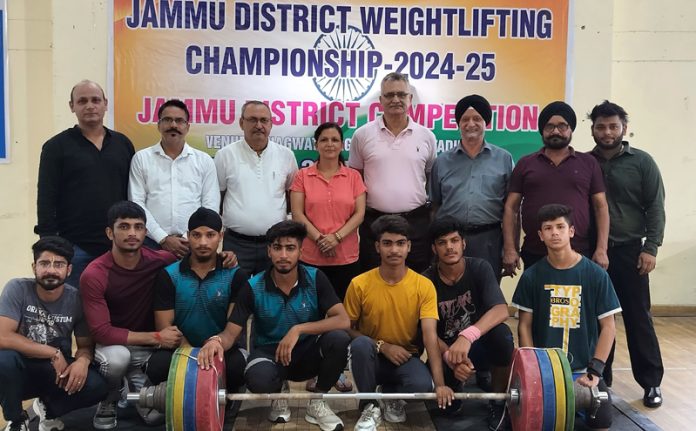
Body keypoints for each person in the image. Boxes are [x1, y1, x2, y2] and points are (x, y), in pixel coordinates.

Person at [80, 201, 236, 429]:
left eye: (138, 227)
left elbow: (198, 259)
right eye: (124, 227)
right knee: (117, 361)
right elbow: (101, 332)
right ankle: (111, 396)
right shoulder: (94, 274)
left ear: (146, 231)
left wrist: (225, 257)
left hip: (149, 350)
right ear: (109, 233)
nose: (132, 233)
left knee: (155, 417)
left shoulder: (161, 260)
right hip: (115, 347)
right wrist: (156, 337)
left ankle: (132, 384)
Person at [198, 220, 351, 431]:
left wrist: (298, 329)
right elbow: (230, 333)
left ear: (301, 250)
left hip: (307, 352)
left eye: (290, 248)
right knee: (258, 380)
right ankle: (280, 393)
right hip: (271, 353)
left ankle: (318, 401)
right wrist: (214, 342)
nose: (284, 255)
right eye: (277, 248)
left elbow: (343, 320)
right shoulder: (252, 286)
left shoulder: (316, 278)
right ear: (269, 251)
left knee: (339, 339)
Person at [511, 204, 621, 431]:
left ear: (571, 231)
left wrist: (595, 371)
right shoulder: (531, 277)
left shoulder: (596, 275)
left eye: (560, 226)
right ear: (540, 235)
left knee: (602, 420)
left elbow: (609, 328)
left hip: (583, 371)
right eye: (548, 228)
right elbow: (524, 326)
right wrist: (534, 370)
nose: (555, 233)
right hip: (546, 372)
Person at [588, 101, 666, 407]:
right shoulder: (584, 161)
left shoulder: (643, 162)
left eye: (613, 126)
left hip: (631, 252)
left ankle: (651, 383)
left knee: (638, 318)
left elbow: (656, 208)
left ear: (624, 127)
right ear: (592, 128)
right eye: (600, 126)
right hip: (592, 254)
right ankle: (601, 379)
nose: (607, 132)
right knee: (596, 320)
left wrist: (651, 248)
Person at [345, 215, 454, 431]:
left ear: (408, 247)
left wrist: (440, 385)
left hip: (405, 357)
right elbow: (347, 328)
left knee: (423, 387)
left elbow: (430, 336)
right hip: (371, 357)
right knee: (360, 345)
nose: (394, 250)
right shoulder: (359, 284)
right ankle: (369, 405)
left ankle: (389, 394)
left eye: (400, 243)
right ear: (378, 247)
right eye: (387, 243)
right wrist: (382, 346)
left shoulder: (423, 285)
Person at [0, 237, 107, 431]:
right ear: (34, 267)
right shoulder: (17, 288)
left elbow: (84, 346)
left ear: (69, 270)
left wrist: (82, 362)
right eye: (44, 263)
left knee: (97, 385)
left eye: (59, 264)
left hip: (56, 372)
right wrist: (52, 352)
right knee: (3, 360)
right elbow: (3, 337)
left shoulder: (76, 299)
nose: (51, 270)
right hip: (19, 368)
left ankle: (48, 410)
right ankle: (16, 420)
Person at [35, 80, 135, 287]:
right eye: (82, 101)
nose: (90, 105)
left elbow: (133, 193)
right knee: (73, 310)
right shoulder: (56, 147)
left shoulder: (122, 144)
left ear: (105, 104)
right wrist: (51, 243)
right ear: (72, 106)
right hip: (74, 246)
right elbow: (46, 197)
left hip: (117, 246)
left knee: (115, 307)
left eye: (95, 100)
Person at [291, 122, 366, 392]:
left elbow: (359, 214)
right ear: (316, 144)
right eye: (324, 140)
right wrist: (320, 239)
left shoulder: (354, 177)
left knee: (345, 319)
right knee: (312, 316)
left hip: (346, 258)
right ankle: (314, 370)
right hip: (311, 258)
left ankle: (339, 371)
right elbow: (297, 214)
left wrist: (335, 237)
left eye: (335, 139)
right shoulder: (303, 176)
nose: (330, 144)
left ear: (342, 145)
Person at [422, 217, 514, 426]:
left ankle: (497, 401)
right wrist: (448, 357)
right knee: (449, 410)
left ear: (463, 243)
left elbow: (501, 309)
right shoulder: (426, 281)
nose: (449, 247)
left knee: (502, 335)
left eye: (454, 240)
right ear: (434, 249)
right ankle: (460, 380)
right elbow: (427, 333)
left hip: (477, 345)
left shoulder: (479, 267)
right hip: (447, 352)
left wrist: (467, 335)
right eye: (442, 243)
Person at [146, 207, 247, 396]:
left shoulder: (236, 275)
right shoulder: (169, 275)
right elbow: (164, 326)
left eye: (210, 235)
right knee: (157, 367)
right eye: (196, 235)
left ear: (221, 236)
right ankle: (175, 395)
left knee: (237, 368)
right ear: (188, 236)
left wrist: (214, 346)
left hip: (220, 346)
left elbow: (231, 331)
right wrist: (192, 355)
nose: (203, 242)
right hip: (182, 346)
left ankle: (227, 396)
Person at [502, 101, 610, 275]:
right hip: (535, 252)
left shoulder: (589, 163)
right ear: (542, 131)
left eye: (562, 126)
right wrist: (510, 249)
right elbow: (511, 207)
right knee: (535, 301)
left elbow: (601, 207)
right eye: (549, 126)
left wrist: (601, 249)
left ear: (571, 129)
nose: (556, 131)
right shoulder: (525, 163)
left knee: (577, 301)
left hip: (579, 252)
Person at [348, 72, 436, 273]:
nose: (395, 100)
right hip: (374, 223)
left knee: (417, 279)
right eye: (389, 95)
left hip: (416, 223)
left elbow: (430, 177)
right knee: (372, 279)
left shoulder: (426, 136)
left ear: (410, 99)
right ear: (380, 101)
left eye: (401, 94)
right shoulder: (362, 135)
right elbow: (355, 179)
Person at [430, 95, 513, 280]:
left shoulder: (504, 159)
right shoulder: (442, 161)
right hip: (450, 241)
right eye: (465, 119)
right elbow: (435, 207)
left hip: (489, 240)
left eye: (477, 119)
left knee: (487, 295)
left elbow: (512, 209)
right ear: (458, 124)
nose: (471, 124)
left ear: (487, 123)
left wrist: (510, 249)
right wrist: (436, 244)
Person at [215, 100, 298, 275]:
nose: (259, 125)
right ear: (241, 123)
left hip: (275, 244)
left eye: (264, 120)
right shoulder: (225, 155)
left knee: (271, 295)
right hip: (236, 244)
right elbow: (218, 197)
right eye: (252, 120)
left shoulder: (286, 155)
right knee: (236, 296)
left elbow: (292, 195)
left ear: (271, 124)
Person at [128, 99, 219, 258]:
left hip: (194, 244)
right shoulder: (141, 159)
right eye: (167, 120)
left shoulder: (204, 161)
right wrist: (162, 238)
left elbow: (210, 205)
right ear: (159, 125)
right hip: (151, 244)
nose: (174, 125)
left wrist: (187, 237)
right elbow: (137, 203)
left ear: (187, 126)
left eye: (179, 121)